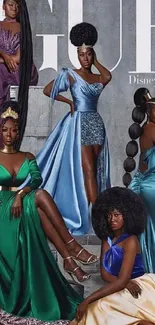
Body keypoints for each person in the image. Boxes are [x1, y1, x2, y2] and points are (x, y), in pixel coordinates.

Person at [0, 101, 99, 323]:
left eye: (13, 129)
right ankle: (71, 251)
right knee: (41, 198)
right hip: (1, 207)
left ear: (18, 131)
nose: (9, 134)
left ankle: (68, 257)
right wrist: (19, 196)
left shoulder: (27, 156)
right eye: (4, 129)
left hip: (21, 201)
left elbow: (37, 178)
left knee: (40, 199)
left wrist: (21, 193)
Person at [34, 22, 111, 235]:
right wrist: (68, 103)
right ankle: (98, 219)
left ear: (92, 55)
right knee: (87, 171)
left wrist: (97, 61)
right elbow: (48, 90)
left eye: (88, 55)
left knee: (95, 172)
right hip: (79, 125)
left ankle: (93, 215)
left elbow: (107, 76)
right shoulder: (70, 75)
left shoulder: (97, 77)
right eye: (81, 55)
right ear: (77, 56)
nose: (84, 59)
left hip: (96, 124)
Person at [70, 187, 155, 325]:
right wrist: (123, 282)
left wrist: (87, 299)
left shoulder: (131, 240)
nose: (112, 220)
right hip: (121, 286)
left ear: (126, 216)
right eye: (109, 216)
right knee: (96, 309)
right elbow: (105, 275)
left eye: (116, 215)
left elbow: (123, 279)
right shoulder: (107, 240)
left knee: (99, 306)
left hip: (137, 287)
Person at [123, 88, 155, 273]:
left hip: (144, 184)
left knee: (148, 231)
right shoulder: (151, 128)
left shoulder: (144, 128)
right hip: (151, 186)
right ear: (149, 112)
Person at [0, 0, 38, 148]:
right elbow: (11, 58)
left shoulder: (23, 28)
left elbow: (18, 58)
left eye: (17, 5)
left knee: (11, 115)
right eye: (10, 4)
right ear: (3, 7)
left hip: (15, 74)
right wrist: (5, 56)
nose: (14, 8)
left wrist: (6, 59)